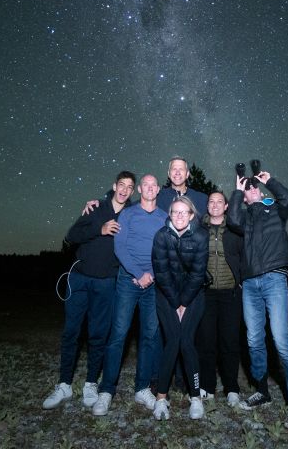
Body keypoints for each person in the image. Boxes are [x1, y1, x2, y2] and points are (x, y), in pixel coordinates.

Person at [43, 172, 136, 410]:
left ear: (132, 191)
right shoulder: (96, 208)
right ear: (114, 186)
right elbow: (71, 235)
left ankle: (91, 383)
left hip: (106, 283)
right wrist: (100, 229)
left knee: (98, 334)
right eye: (121, 185)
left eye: (129, 187)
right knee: (71, 332)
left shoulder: (130, 214)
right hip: (79, 278)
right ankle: (64, 384)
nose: (124, 190)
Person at [227, 168, 288, 431]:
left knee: (282, 341)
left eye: (255, 187)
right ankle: (262, 391)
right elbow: (232, 219)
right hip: (250, 283)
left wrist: (268, 181)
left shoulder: (273, 208)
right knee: (253, 339)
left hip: (274, 279)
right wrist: (238, 191)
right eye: (248, 188)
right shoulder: (245, 217)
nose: (252, 188)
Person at [92, 174, 165, 416]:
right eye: (146, 185)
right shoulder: (128, 214)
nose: (150, 188)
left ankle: (142, 388)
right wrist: (137, 272)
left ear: (157, 190)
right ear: (140, 189)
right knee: (119, 334)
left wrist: (151, 275)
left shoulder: (164, 217)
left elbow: (165, 251)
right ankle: (106, 390)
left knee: (149, 336)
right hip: (128, 280)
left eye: (154, 185)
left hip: (153, 283)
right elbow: (119, 246)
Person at [151, 197, 209, 420]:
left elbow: (197, 273)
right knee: (173, 341)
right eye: (175, 212)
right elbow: (162, 273)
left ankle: (195, 398)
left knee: (186, 342)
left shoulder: (201, 236)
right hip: (166, 295)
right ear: (170, 214)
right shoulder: (161, 236)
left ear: (192, 215)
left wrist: (184, 303)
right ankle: (161, 399)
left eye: (185, 212)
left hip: (193, 295)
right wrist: (176, 304)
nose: (180, 216)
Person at [196, 191, 244, 407]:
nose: (215, 205)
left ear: (226, 207)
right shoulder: (198, 229)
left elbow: (245, 256)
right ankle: (207, 386)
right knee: (206, 342)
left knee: (230, 342)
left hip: (230, 294)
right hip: (206, 294)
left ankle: (232, 388)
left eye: (219, 202)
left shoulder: (235, 230)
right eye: (211, 202)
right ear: (207, 206)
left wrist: (242, 280)